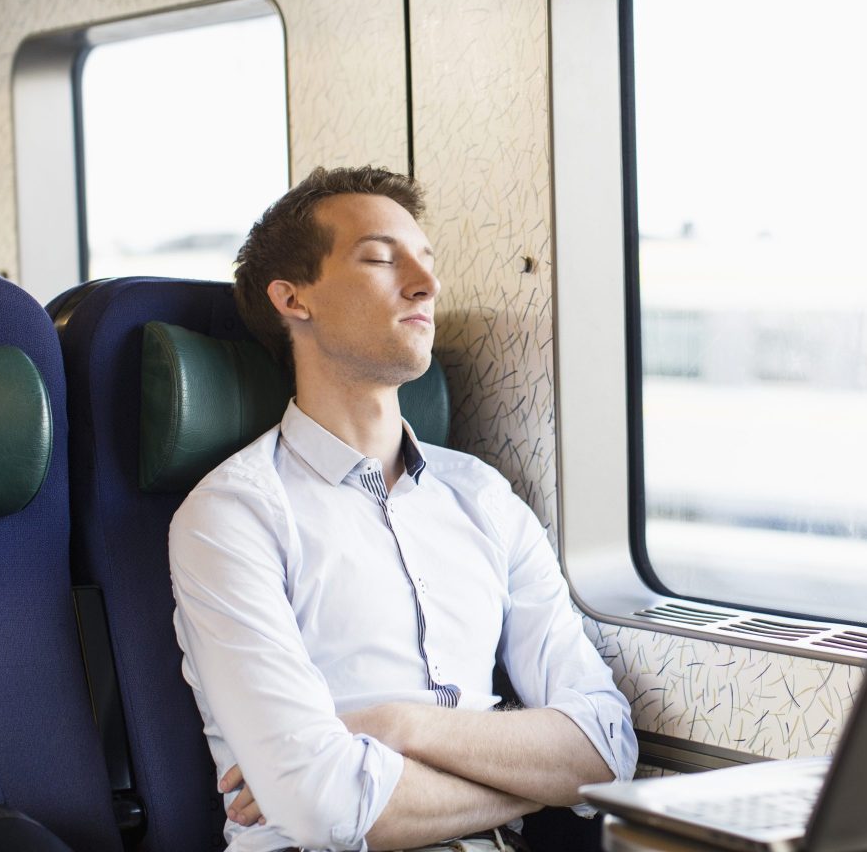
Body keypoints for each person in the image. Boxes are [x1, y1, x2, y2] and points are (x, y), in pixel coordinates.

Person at [169, 166, 637, 852]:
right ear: (293, 298)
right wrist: (540, 783)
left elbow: (607, 747)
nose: (426, 284)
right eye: (383, 259)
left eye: (428, 260)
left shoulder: (482, 496)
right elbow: (328, 808)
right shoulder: (232, 517)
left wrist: (392, 725)